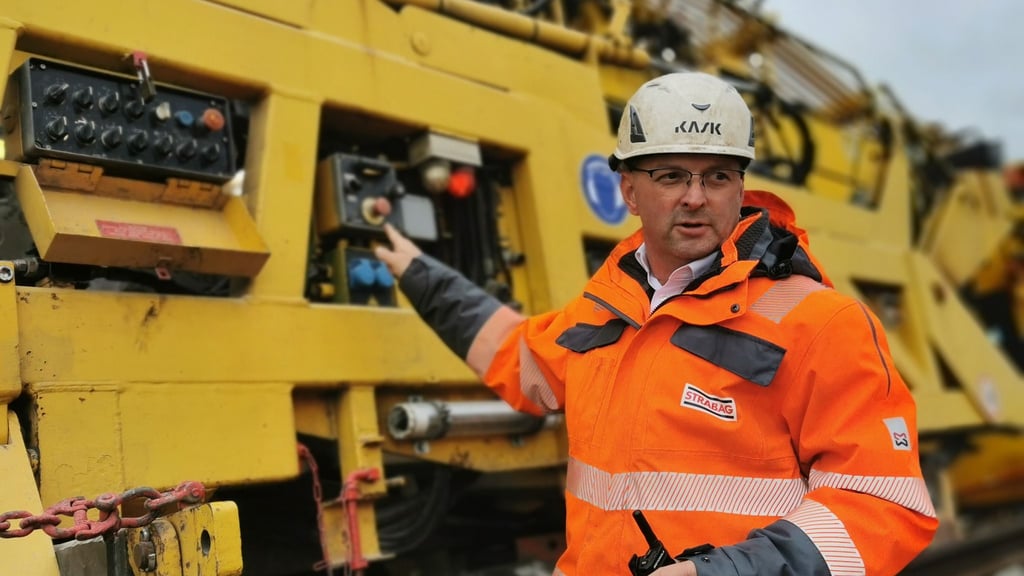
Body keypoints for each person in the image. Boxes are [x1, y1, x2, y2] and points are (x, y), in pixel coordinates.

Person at [375, 72, 938, 575]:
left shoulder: (820, 322)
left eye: (716, 177)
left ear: (741, 188)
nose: (695, 198)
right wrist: (419, 275)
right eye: (671, 176)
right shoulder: (605, 313)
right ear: (629, 191)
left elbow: (883, 503)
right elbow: (517, 359)